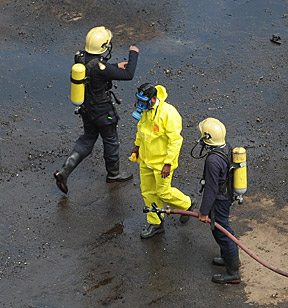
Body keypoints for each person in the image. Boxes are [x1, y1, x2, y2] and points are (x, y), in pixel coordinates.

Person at [54, 26, 139, 194]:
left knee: (87, 139)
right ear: (103, 47)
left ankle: (64, 171)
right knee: (111, 140)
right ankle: (114, 174)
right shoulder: (102, 68)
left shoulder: (80, 58)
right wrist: (133, 53)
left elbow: (96, 70)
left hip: (87, 109)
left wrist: (115, 66)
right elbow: (129, 74)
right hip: (102, 111)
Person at [131, 83, 195, 239]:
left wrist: (168, 163)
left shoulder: (169, 114)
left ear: (154, 99)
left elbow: (175, 141)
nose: (140, 104)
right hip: (146, 160)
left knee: (163, 193)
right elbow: (142, 129)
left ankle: (187, 204)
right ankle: (156, 222)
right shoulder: (146, 111)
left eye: (143, 100)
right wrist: (137, 146)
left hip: (162, 163)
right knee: (148, 192)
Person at [197, 118, 241, 284]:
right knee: (224, 229)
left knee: (222, 232)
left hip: (219, 200)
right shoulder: (226, 148)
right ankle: (231, 258)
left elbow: (211, 189)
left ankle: (232, 273)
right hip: (227, 195)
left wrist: (203, 212)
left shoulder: (213, 160)